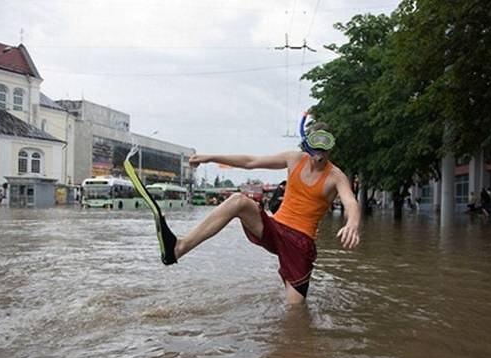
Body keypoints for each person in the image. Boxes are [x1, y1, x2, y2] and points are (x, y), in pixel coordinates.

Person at [140, 123, 361, 304]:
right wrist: (210, 157)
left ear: (331, 148)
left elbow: (351, 202)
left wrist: (352, 223)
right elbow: (251, 162)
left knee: (295, 313)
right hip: (274, 229)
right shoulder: (294, 159)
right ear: (306, 146)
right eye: (315, 148)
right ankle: (178, 248)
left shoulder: (336, 176)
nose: (319, 155)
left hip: (300, 244)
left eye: (325, 149)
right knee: (238, 201)